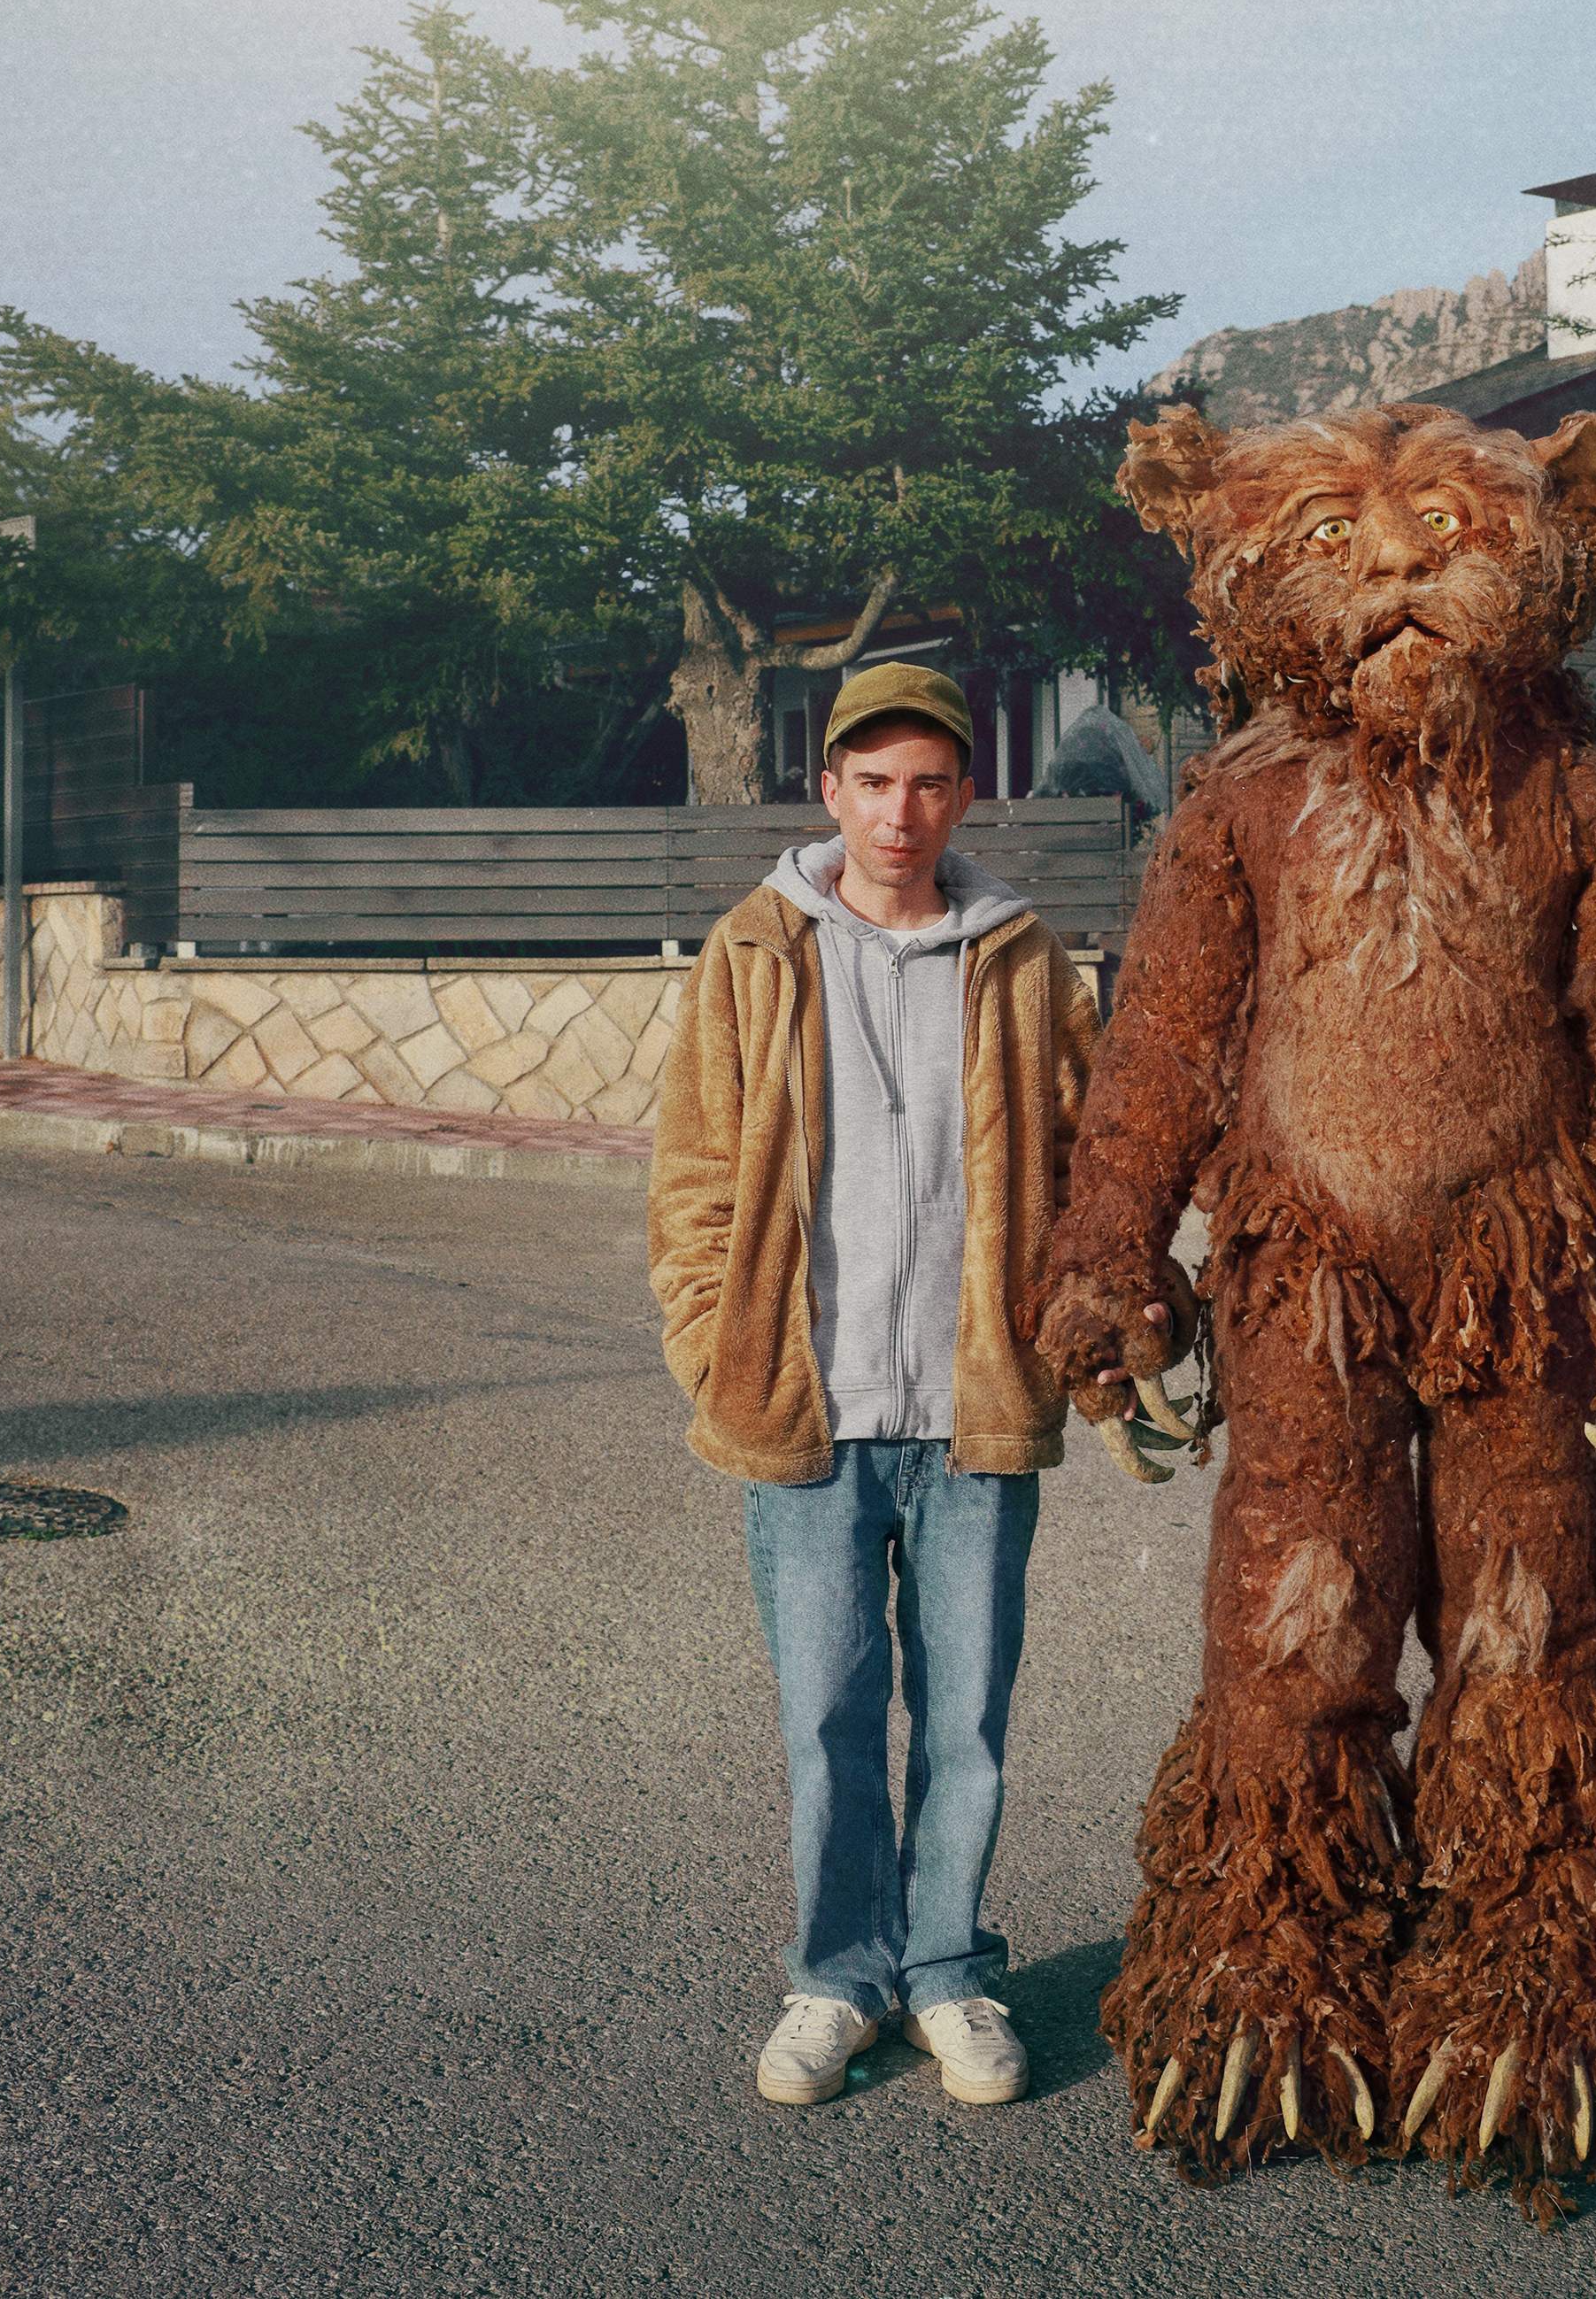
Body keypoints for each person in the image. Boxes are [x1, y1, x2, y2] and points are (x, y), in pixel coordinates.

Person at [646, 662, 1101, 2111]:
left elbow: (1090, 1173)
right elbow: (696, 1180)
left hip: (976, 1413)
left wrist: (1070, 1337)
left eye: (927, 784)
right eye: (871, 783)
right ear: (827, 789)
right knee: (829, 1720)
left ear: (963, 795)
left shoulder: (1022, 956)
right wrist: (718, 1343)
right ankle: (838, 1978)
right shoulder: (756, 949)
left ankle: (949, 1975)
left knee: (965, 1720)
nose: (898, 813)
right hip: (811, 1411)